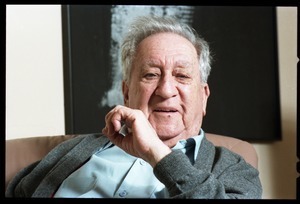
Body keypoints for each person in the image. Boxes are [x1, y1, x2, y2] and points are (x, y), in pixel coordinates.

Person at [6, 15, 262, 199]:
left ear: (204, 97)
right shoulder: (71, 152)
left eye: (182, 76)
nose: (165, 90)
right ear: (126, 92)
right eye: (151, 74)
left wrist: (156, 152)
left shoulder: (234, 169)